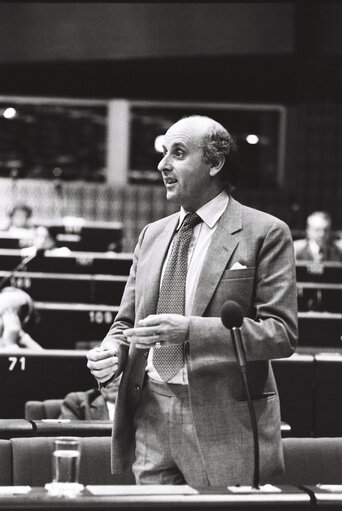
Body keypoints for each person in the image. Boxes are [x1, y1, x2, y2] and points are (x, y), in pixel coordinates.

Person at [87, 115, 298, 487]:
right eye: (163, 153)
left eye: (178, 153)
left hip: (225, 425)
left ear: (214, 163)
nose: (162, 164)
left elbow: (280, 334)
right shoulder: (152, 235)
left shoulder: (265, 232)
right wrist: (112, 353)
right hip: (149, 413)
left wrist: (189, 330)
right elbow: (125, 325)